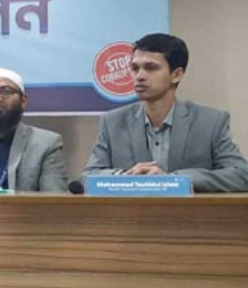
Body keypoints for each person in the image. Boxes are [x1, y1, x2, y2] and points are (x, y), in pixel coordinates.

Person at [83, 33, 248, 192]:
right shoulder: (113, 122)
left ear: (176, 75)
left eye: (151, 68)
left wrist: (174, 180)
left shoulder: (210, 121)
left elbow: (241, 175)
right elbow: (86, 177)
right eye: (134, 68)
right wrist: (125, 177)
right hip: (132, 211)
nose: (139, 76)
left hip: (187, 211)